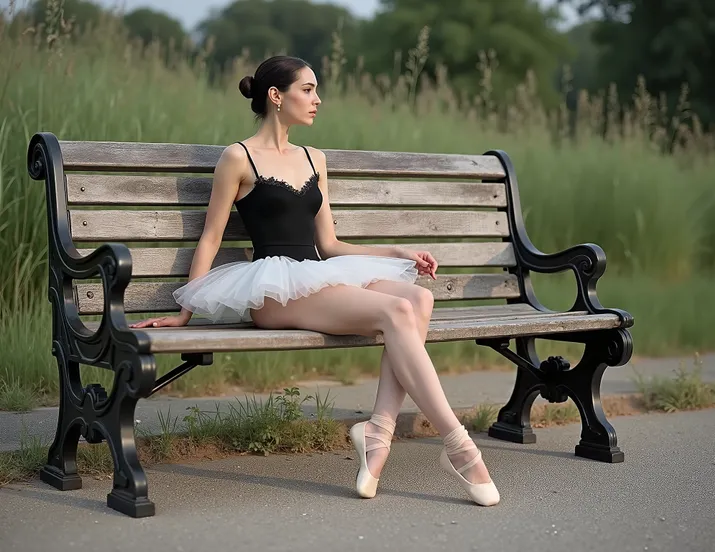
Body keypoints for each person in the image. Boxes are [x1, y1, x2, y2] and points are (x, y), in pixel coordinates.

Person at [130, 55, 499, 507]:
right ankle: (460, 448)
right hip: (274, 289)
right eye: (307, 89)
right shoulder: (237, 158)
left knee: (417, 301)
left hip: (319, 274)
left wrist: (398, 252)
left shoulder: (314, 158)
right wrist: (185, 310)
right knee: (399, 310)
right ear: (275, 96)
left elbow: (331, 243)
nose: (317, 99)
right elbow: (211, 237)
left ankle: (378, 432)